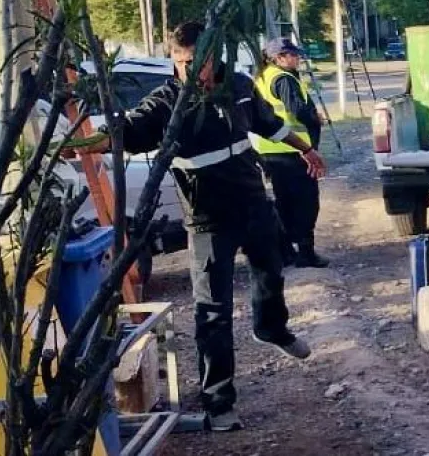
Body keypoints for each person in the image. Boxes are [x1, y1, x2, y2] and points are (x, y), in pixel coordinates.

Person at [78, 21, 325, 431]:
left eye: (198, 62)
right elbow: (120, 133)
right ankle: (219, 403)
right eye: (182, 62)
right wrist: (69, 145)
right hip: (208, 221)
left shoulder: (240, 85)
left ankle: (271, 328)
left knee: (273, 270)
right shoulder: (166, 104)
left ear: (215, 57)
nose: (191, 71)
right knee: (213, 313)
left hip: (254, 206)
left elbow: (270, 125)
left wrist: (307, 150)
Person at [254, 38, 329, 269]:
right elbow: (297, 110)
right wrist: (313, 117)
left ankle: (285, 252)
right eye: (292, 55)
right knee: (305, 203)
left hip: (270, 150)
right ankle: (306, 253)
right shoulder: (283, 79)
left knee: (284, 203)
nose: (297, 59)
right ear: (279, 58)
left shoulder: (264, 77)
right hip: (293, 152)